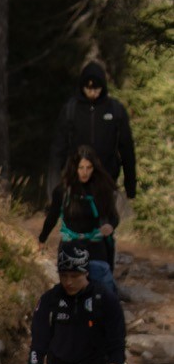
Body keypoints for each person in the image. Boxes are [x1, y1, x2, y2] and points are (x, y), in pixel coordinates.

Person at [48, 60, 137, 200]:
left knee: (106, 214)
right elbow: (57, 151)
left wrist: (130, 186)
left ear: (103, 87)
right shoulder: (71, 110)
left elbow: (127, 150)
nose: (92, 93)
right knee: (78, 213)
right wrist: (54, 190)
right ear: (82, 87)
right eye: (88, 88)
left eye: (96, 88)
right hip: (76, 184)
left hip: (107, 182)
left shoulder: (115, 110)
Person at [39, 145, 119, 293]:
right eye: (81, 168)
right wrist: (42, 239)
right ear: (74, 168)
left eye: (89, 168)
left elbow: (114, 217)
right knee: (72, 291)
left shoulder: (102, 189)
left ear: (94, 168)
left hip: (96, 246)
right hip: (70, 247)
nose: (85, 172)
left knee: (102, 292)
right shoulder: (63, 191)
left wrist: (110, 226)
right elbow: (52, 217)